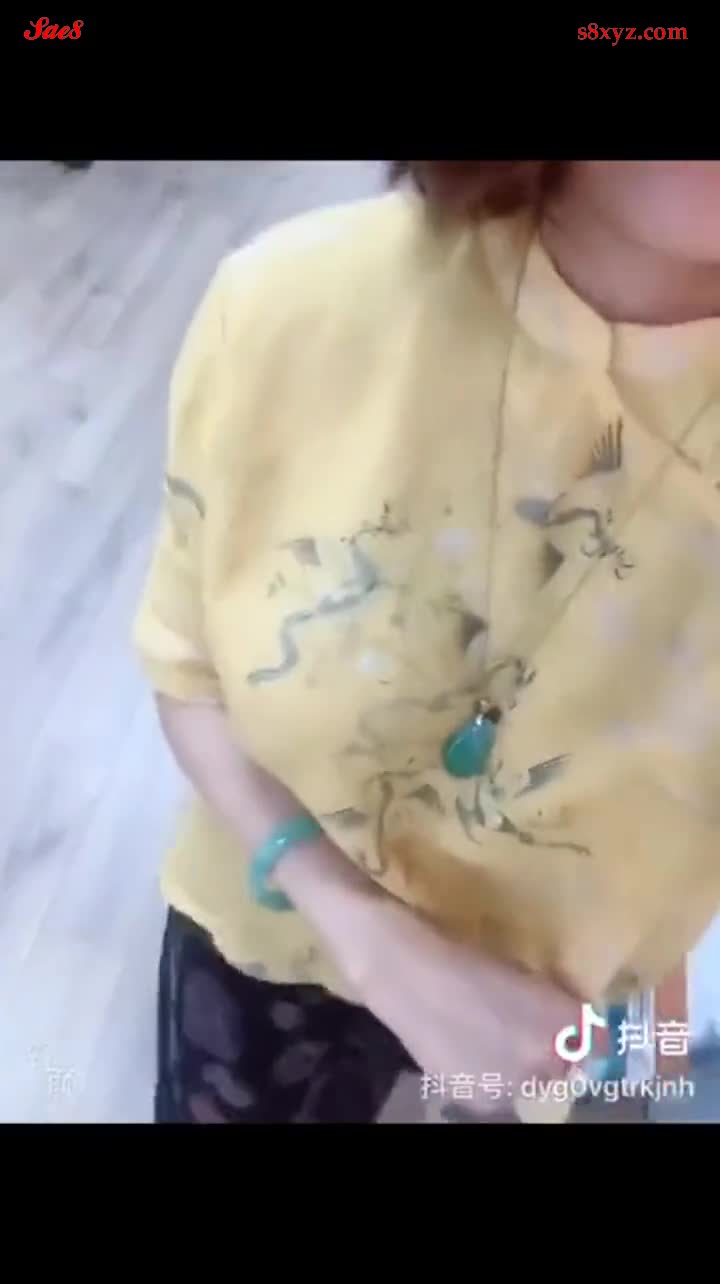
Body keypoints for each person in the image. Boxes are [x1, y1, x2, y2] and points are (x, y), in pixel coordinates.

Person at [134, 161, 720, 1124]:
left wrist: (651, 1041)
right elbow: (189, 671)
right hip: (268, 938)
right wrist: (368, 935)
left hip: (565, 1042)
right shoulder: (295, 311)